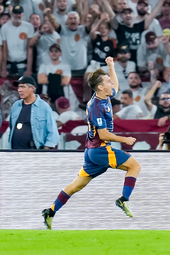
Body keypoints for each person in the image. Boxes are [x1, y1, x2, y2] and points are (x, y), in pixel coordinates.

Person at [42, 57, 141, 230]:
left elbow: (116, 85)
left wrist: (111, 66)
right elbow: (103, 134)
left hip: (91, 152)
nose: (112, 83)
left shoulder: (105, 96)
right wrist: (124, 139)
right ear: (101, 87)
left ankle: (50, 211)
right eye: (108, 81)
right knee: (135, 166)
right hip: (100, 149)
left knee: (76, 186)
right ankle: (123, 200)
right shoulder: (96, 106)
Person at [8, 75, 59, 149]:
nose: (19, 90)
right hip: (15, 151)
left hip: (34, 153)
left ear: (31, 88)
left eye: (23, 87)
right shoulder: (16, 105)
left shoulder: (44, 107)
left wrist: (44, 151)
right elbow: (11, 128)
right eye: (19, 87)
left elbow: (53, 132)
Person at [1, 5, 34, 78]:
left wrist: (29, 68)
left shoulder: (29, 27)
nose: (17, 15)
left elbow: (29, 48)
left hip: (22, 64)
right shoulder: (5, 27)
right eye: (15, 13)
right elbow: (4, 48)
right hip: (9, 63)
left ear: (22, 14)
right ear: (12, 14)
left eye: (19, 13)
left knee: (23, 88)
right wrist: (3, 69)